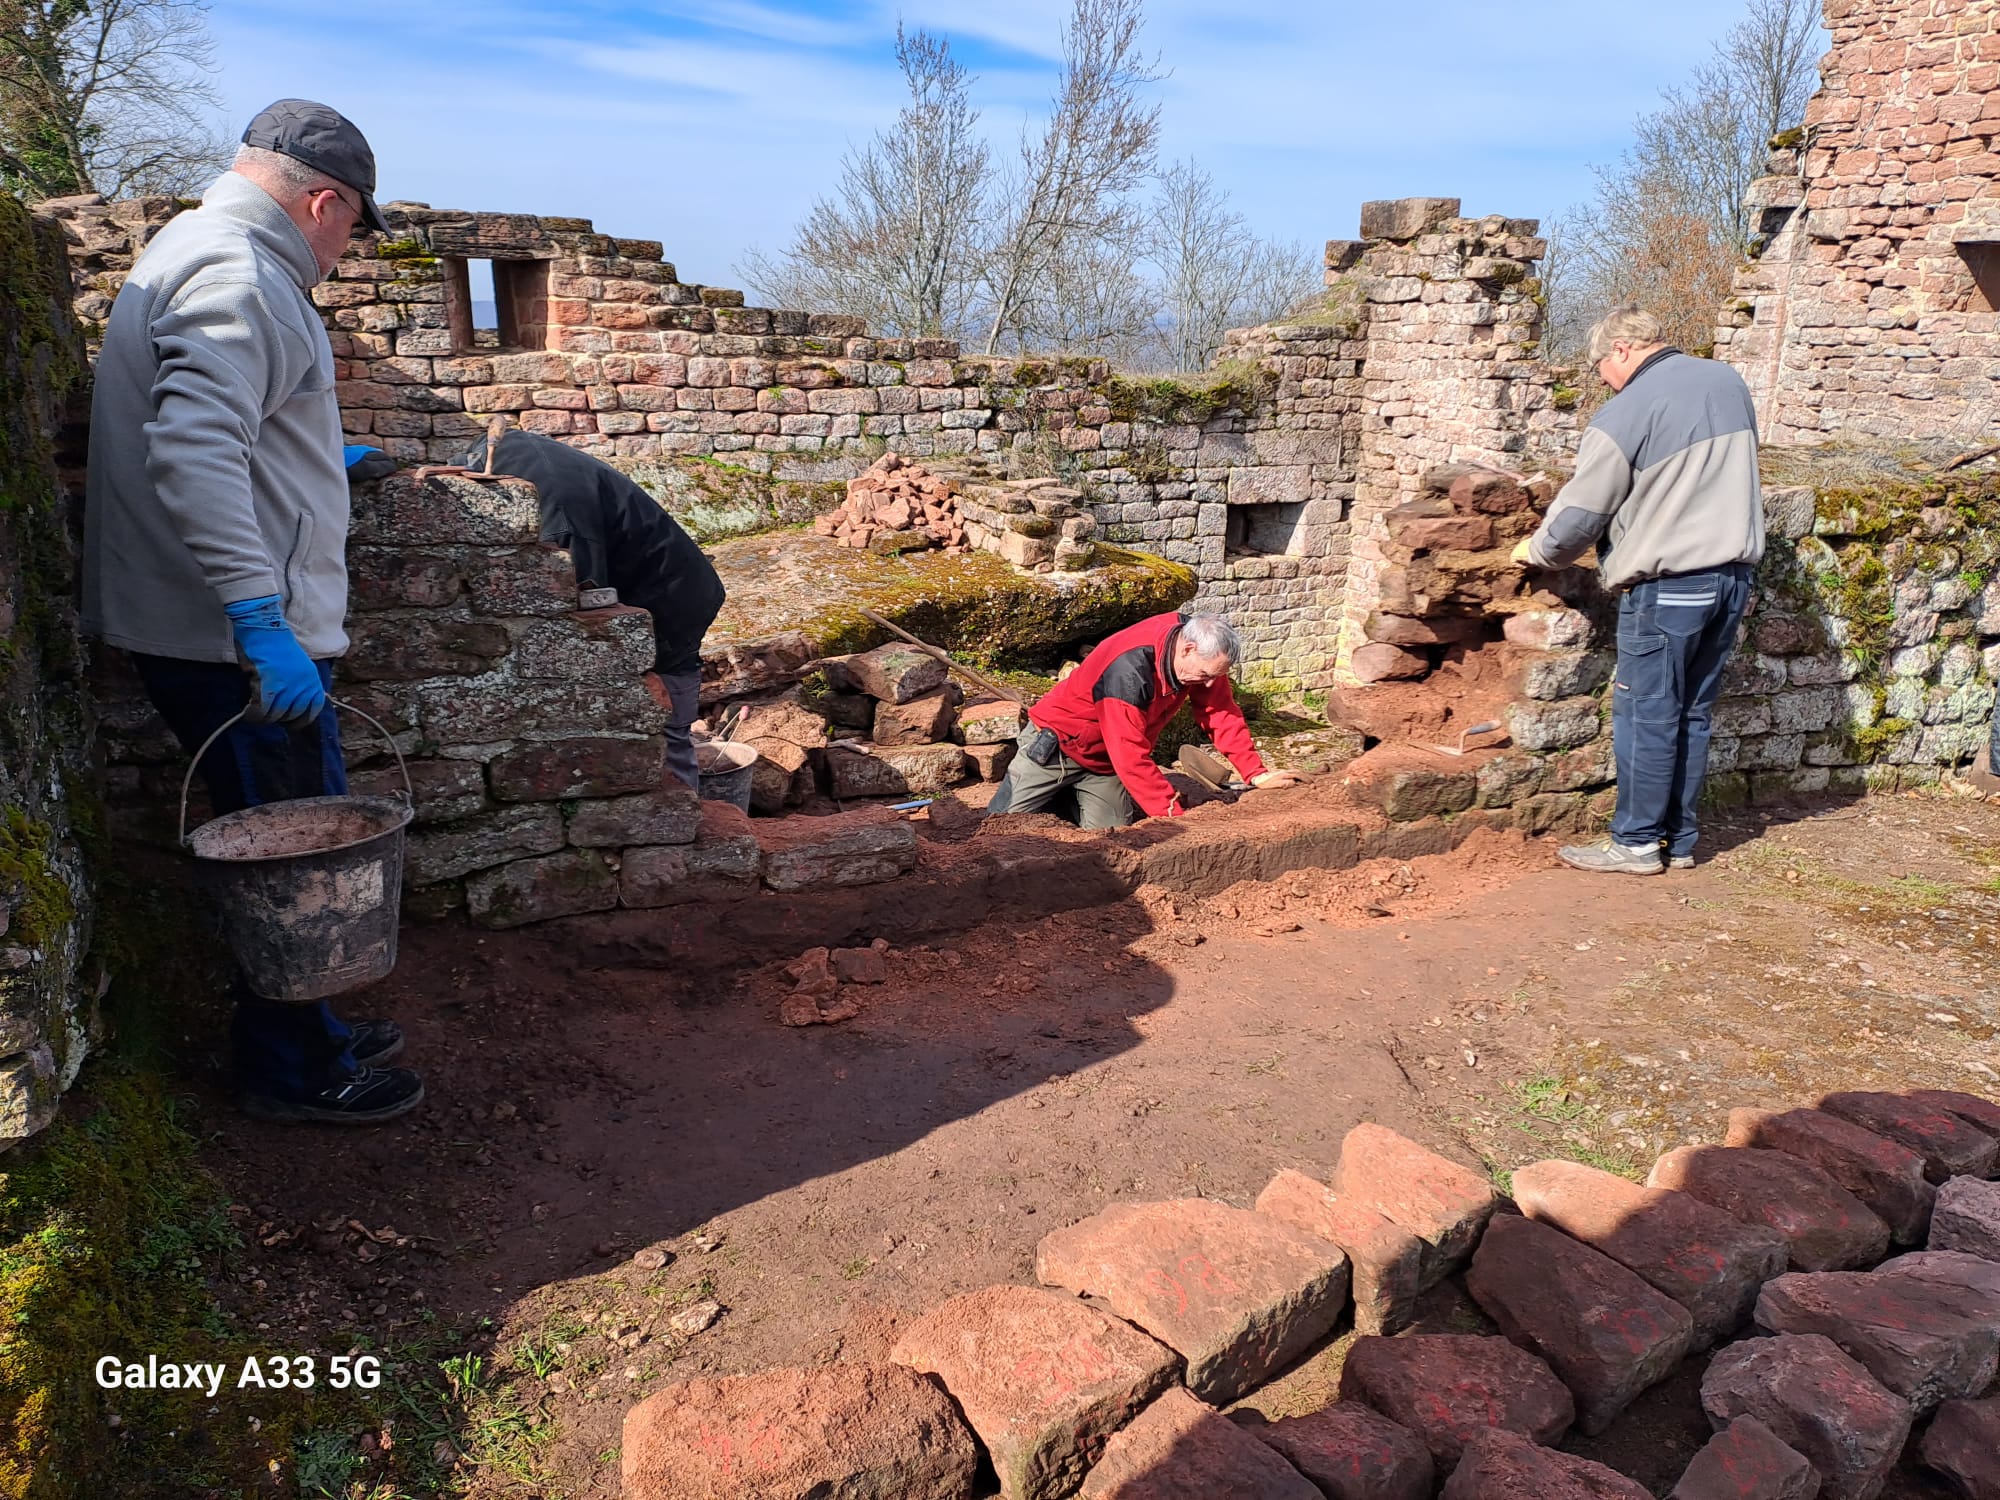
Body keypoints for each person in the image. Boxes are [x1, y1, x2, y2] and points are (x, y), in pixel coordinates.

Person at [82, 100, 425, 1124]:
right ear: (323, 202)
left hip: (201, 627)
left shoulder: (192, 248)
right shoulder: (243, 276)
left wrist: (313, 453)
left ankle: (310, 1031)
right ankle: (297, 1068)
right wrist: (259, 621)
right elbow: (194, 450)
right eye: (353, 224)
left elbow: (224, 416)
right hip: (232, 643)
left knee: (283, 829)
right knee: (293, 852)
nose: (346, 248)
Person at [1512, 305, 1764, 875]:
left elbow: (1582, 513)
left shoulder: (1627, 410)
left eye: (1600, 365)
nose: (1603, 379)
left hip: (1670, 585)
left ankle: (1636, 843)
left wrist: (1537, 551)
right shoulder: (1726, 381)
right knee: (1692, 713)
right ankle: (1681, 841)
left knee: (1647, 713)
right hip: (1732, 580)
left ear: (1621, 349)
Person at [450, 430, 726, 790]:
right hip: (655, 579)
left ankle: (681, 806)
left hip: (673, 599)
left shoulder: (558, 519)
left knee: (665, 724)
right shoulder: (494, 458)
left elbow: (585, 608)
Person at [987, 611, 1300, 828]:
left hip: (1104, 763)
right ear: (1188, 649)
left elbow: (1219, 712)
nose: (1208, 683)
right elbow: (1130, 756)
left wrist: (1256, 773)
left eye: (1214, 676)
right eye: (1205, 675)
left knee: (1113, 837)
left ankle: (1068, 800)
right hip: (1058, 747)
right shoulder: (1128, 671)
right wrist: (1174, 815)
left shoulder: (1202, 658)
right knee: (1001, 827)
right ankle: (1057, 796)